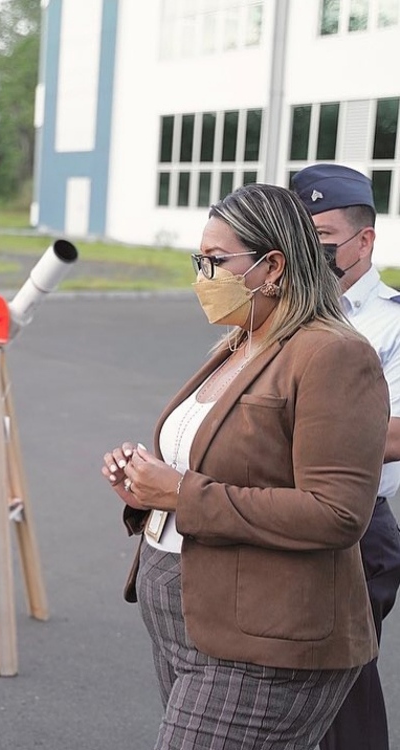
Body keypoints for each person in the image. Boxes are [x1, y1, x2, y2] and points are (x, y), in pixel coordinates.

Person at [100, 183, 389, 749]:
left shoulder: (331, 353)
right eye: (198, 260)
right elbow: (221, 465)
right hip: (191, 618)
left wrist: (183, 493)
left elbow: (336, 513)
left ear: (272, 265)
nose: (202, 276)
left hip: (263, 640)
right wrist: (145, 486)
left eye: (214, 261)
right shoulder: (241, 341)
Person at [291, 163, 400, 750]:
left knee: (342, 686)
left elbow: (396, 432)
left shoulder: (391, 322)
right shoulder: (290, 314)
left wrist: (292, 443)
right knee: (285, 679)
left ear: (366, 239)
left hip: (356, 528)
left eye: (325, 237)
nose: (314, 249)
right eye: (303, 236)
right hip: (284, 513)